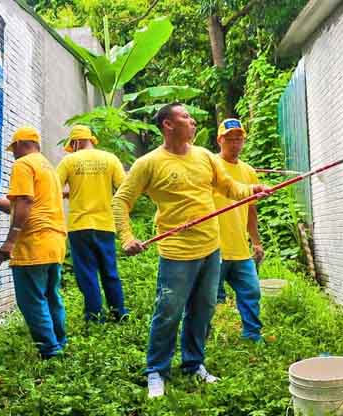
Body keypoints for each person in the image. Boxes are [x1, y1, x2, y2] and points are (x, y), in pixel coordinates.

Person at [111, 103, 271, 398]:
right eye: (185, 117)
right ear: (168, 125)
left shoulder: (204, 157)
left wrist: (253, 190)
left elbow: (228, 187)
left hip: (212, 248)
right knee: (168, 312)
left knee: (203, 309)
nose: (193, 121)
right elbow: (121, 201)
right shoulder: (149, 163)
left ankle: (193, 364)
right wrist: (126, 236)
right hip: (177, 253)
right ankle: (156, 370)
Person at [0, 126, 68, 359]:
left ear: (22, 144)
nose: (13, 154)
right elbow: (21, 205)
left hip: (33, 242)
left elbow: (24, 202)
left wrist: (10, 242)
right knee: (52, 296)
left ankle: (50, 352)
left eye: (13, 149)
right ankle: (59, 343)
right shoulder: (47, 168)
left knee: (31, 300)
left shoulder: (23, 165)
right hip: (54, 241)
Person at [56, 125, 129, 323]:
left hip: (80, 226)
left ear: (76, 142)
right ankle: (118, 312)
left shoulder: (69, 161)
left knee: (87, 273)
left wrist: (73, 192)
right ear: (91, 139)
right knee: (110, 271)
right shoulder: (110, 159)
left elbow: (53, 189)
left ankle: (95, 316)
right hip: (105, 224)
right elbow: (125, 188)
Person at [212, 118, 264, 342]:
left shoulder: (249, 172)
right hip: (213, 247)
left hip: (240, 248)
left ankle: (252, 335)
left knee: (251, 292)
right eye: (229, 139)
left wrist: (256, 241)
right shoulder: (210, 166)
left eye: (239, 139)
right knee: (208, 299)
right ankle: (202, 339)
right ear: (219, 140)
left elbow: (251, 210)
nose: (235, 144)